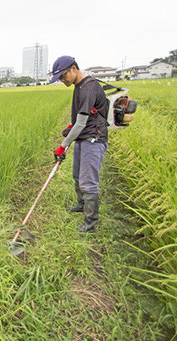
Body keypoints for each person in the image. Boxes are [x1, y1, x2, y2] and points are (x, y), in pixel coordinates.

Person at [49, 56, 109, 233]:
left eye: (63, 76)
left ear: (73, 68)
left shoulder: (88, 88)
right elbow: (80, 119)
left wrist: (63, 145)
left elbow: (82, 123)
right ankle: (82, 205)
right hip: (84, 137)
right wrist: (70, 127)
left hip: (93, 138)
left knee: (88, 182)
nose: (62, 81)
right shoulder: (79, 86)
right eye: (59, 79)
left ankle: (90, 223)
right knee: (77, 176)